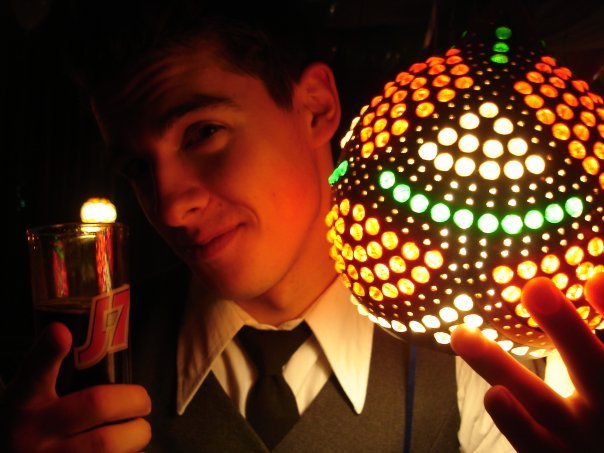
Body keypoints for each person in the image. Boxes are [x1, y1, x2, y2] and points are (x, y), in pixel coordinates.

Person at [2, 1, 603, 452]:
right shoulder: (86, 382)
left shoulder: (480, 355)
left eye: (203, 133)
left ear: (316, 106)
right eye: (138, 168)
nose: (169, 207)